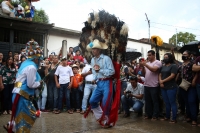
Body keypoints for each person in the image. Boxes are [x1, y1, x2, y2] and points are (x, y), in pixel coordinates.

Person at [3, 39, 43, 132]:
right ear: (36, 58)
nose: (40, 61)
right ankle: (13, 127)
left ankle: (11, 126)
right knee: (25, 120)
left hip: (17, 94)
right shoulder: (32, 67)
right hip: (22, 96)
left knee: (21, 117)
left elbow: (19, 82)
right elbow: (30, 84)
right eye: (39, 59)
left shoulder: (24, 64)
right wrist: (39, 83)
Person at [86, 39, 115, 128]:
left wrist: (100, 70)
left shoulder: (106, 58)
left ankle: (108, 121)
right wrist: (95, 78)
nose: (93, 50)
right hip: (99, 83)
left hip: (107, 82)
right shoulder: (92, 60)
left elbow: (112, 71)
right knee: (92, 101)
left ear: (99, 50)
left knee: (106, 102)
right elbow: (95, 72)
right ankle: (101, 117)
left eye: (95, 49)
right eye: (92, 49)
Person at [177, 50, 198, 126]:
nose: (183, 55)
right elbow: (179, 73)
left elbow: (196, 73)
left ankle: (194, 119)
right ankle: (188, 116)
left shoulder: (192, 63)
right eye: (183, 54)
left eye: (185, 54)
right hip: (183, 85)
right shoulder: (181, 64)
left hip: (191, 85)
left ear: (189, 56)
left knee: (191, 101)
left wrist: (194, 80)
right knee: (186, 102)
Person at [140, 50, 162, 120]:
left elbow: (154, 70)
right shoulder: (148, 63)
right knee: (148, 101)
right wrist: (143, 66)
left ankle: (155, 115)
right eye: (148, 55)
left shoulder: (158, 62)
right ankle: (148, 114)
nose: (148, 56)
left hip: (154, 85)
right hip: (147, 84)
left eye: (149, 55)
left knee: (155, 101)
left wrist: (146, 64)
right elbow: (144, 73)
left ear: (154, 55)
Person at [159, 53, 178, 123]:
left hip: (171, 87)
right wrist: (160, 82)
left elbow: (172, 76)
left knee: (172, 102)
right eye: (164, 57)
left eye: (166, 57)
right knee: (166, 102)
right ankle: (167, 116)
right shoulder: (163, 66)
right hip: (163, 87)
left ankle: (174, 118)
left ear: (170, 58)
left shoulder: (173, 66)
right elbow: (160, 74)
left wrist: (162, 81)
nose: (165, 58)